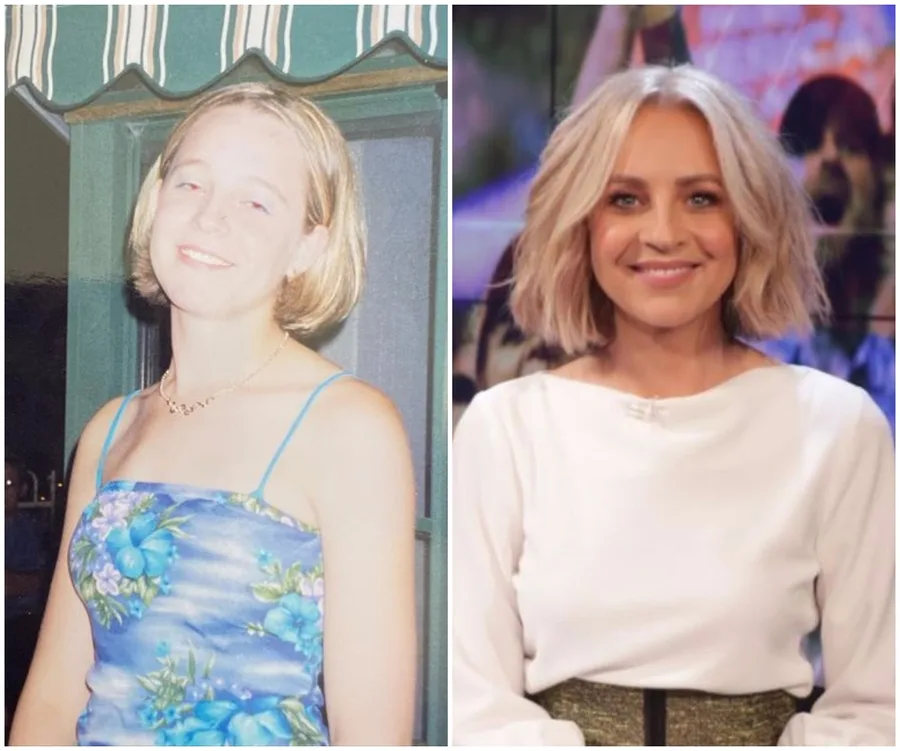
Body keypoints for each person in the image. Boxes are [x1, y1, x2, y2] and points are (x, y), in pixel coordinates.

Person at [453, 65, 894, 746]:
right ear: (583, 222)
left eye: (701, 198)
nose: (662, 233)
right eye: (626, 199)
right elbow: (471, 703)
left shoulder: (838, 427)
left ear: (749, 218)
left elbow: (876, 710)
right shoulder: (505, 427)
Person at [11, 83, 417, 746]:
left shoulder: (350, 427)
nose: (209, 219)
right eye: (190, 184)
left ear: (309, 245)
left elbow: (373, 735)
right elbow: (53, 698)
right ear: (156, 202)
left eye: (256, 201)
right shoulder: (108, 431)